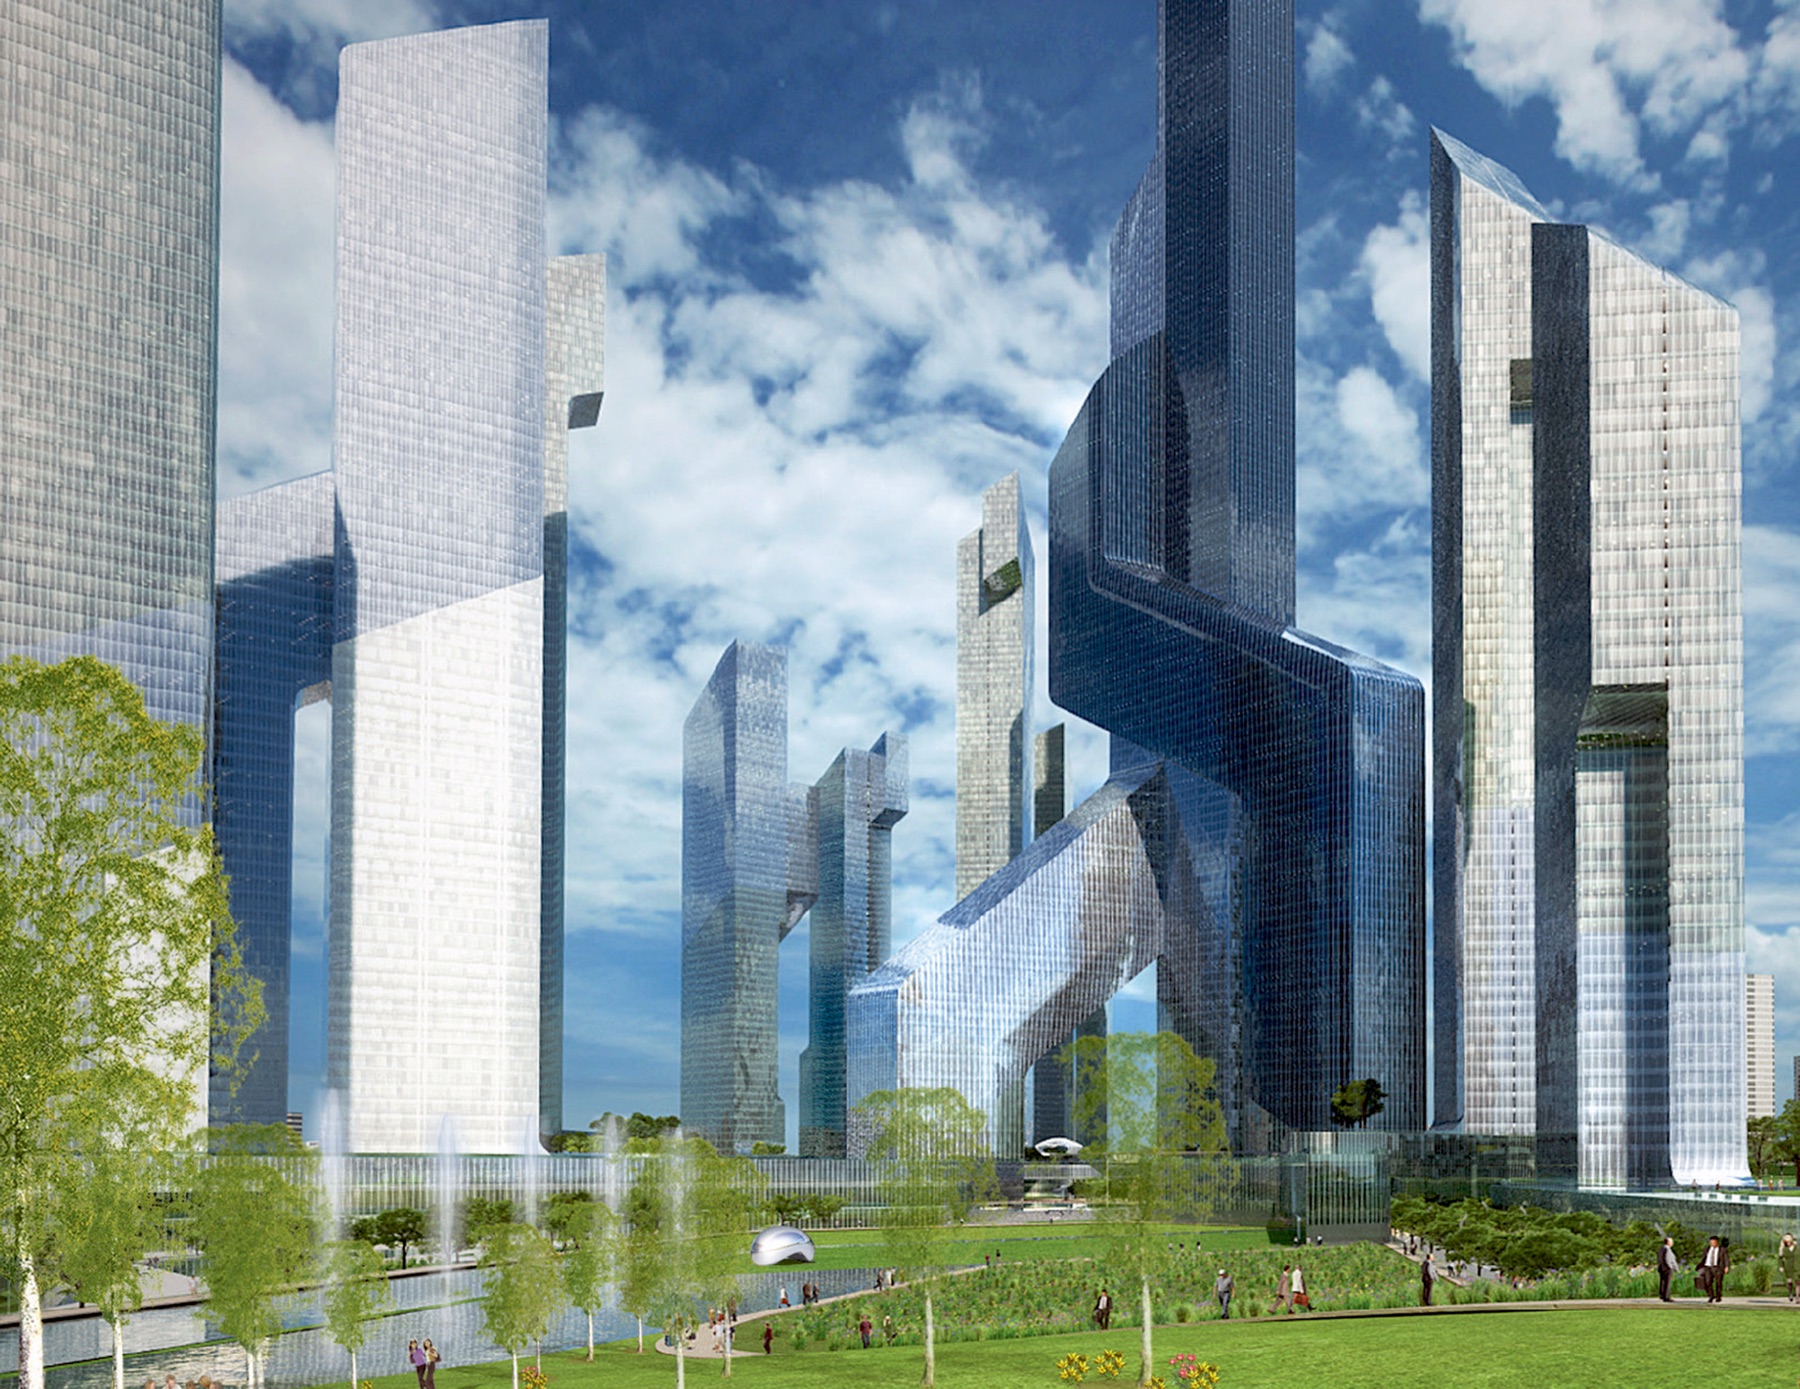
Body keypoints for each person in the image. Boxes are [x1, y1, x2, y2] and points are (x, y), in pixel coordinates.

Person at [1700, 1236, 1727, 1302]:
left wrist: (1726, 1266)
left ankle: (1718, 1296)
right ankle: (1711, 1295)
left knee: (1718, 1283)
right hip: (1708, 1267)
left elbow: (1726, 1259)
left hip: (1717, 1267)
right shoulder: (1706, 1249)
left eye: (1714, 1242)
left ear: (1717, 1242)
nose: (1713, 1243)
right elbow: (1703, 1258)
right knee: (1707, 1282)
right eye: (1711, 1242)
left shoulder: (1722, 1250)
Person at [1657, 1237, 1679, 1302]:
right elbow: (1669, 1259)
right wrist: (1672, 1267)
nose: (1672, 1243)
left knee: (1663, 1282)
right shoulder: (1667, 1250)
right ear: (1668, 1242)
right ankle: (1666, 1297)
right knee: (1667, 1282)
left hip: (1661, 1268)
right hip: (1667, 1268)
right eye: (1671, 1242)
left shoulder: (1661, 1249)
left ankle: (1662, 1295)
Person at [1780, 1234, 1799, 1303]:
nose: (1788, 1243)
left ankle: (1797, 1297)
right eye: (1786, 1242)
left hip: (1797, 1267)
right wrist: (1781, 1266)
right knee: (1790, 1282)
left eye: (1789, 1241)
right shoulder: (1783, 1249)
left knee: (1798, 1282)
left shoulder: (1797, 1248)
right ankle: (1791, 1293)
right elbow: (1780, 1258)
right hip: (1788, 1267)